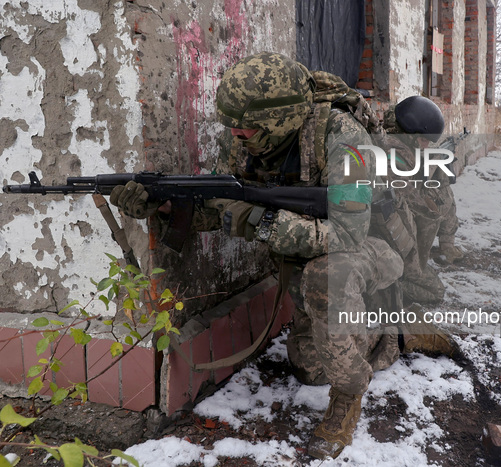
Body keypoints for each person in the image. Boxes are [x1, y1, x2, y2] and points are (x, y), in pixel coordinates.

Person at [110, 53, 452, 459]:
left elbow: (346, 233)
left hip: (372, 244)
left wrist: (259, 222)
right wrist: (163, 205)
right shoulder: (242, 139)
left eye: (248, 126)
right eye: (233, 123)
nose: (236, 132)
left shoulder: (346, 139)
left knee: (327, 278)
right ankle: (398, 335)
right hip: (315, 249)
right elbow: (223, 207)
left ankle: (348, 395)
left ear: (281, 119)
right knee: (309, 367)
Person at [382, 96, 463, 306]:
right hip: (390, 242)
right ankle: (383, 290)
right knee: (435, 292)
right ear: (411, 133)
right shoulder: (394, 154)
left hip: (395, 239)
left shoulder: (396, 140)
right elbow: (422, 208)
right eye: (424, 140)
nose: (426, 145)